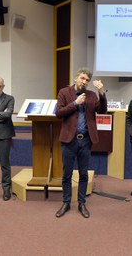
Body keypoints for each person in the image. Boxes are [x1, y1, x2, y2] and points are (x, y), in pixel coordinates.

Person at [55, 67, 107, 218]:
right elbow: (59, 113)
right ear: (75, 78)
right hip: (68, 140)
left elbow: (102, 111)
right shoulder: (64, 93)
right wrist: (75, 103)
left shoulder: (91, 95)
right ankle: (66, 202)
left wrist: (101, 93)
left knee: (83, 173)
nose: (84, 82)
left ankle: (81, 203)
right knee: (67, 173)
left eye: (87, 80)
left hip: (85, 140)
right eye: (82, 78)